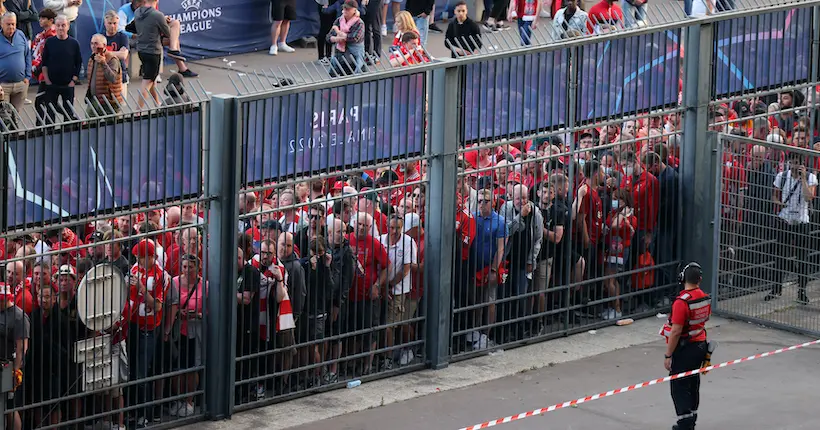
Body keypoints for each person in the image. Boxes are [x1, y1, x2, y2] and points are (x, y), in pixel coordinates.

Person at [661, 262, 713, 430]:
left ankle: (685, 423)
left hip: (685, 349)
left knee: (679, 386)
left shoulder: (681, 302)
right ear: (700, 279)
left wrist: (668, 355)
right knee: (693, 382)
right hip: (701, 346)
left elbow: (676, 331)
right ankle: (692, 417)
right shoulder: (704, 297)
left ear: (682, 278)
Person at [40, 14, 81, 123]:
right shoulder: (49, 42)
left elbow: (78, 63)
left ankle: (68, 135)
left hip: (68, 85)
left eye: (63, 25)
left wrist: (74, 80)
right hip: (52, 85)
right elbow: (44, 63)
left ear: (68, 26)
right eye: (58, 25)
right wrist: (47, 81)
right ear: (55, 26)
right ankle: (50, 135)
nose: (61, 28)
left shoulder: (74, 43)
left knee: (68, 114)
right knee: (50, 114)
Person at [86, 33, 124, 116]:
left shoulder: (111, 59)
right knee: (89, 123)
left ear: (104, 45)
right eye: (92, 43)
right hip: (94, 100)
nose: (93, 46)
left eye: (96, 43)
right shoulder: (92, 58)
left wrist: (103, 63)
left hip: (109, 102)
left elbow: (113, 78)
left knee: (111, 126)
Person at [0, 12, 31, 113]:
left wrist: (27, 77)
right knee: (4, 116)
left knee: (16, 116)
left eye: (13, 24)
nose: (11, 27)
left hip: (20, 85)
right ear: (1, 24)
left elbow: (27, 55)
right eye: (8, 24)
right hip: (3, 86)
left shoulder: (21, 35)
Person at [327, 0, 365, 77]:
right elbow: (328, 37)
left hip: (354, 56)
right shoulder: (339, 20)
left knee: (357, 76)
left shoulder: (359, 23)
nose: (345, 11)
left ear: (354, 10)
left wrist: (338, 32)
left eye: (348, 9)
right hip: (340, 56)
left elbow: (354, 38)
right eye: (344, 8)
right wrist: (335, 39)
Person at [102, 10, 129, 98]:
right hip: (104, 77)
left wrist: (106, 53)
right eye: (109, 23)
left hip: (120, 76)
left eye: (115, 23)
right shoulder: (101, 37)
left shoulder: (122, 37)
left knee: (120, 105)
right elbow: (97, 55)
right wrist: (117, 53)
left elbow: (123, 55)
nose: (112, 26)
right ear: (105, 23)